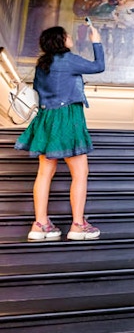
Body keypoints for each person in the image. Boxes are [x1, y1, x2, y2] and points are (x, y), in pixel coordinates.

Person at [14, 24, 105, 241]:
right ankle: (77, 225)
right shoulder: (69, 60)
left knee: (44, 173)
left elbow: (38, 90)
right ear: (60, 40)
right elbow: (99, 66)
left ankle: (40, 224)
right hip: (68, 118)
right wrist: (96, 40)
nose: (70, 37)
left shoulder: (42, 64)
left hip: (46, 118)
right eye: (67, 35)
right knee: (80, 173)